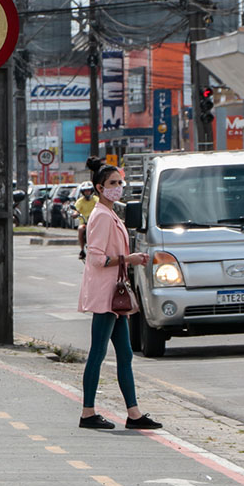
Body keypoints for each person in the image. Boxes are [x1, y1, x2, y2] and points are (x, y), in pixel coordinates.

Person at [77, 157, 162, 431]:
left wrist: (128, 259)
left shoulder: (110, 213)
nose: (118, 187)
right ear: (99, 188)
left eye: (120, 182)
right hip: (106, 295)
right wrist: (130, 259)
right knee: (98, 352)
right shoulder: (101, 216)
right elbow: (97, 258)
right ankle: (88, 412)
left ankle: (133, 413)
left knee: (124, 354)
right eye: (112, 183)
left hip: (115, 296)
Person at [74, 179, 99, 261]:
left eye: (88, 190)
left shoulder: (96, 200)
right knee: (80, 229)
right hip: (85, 223)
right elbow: (76, 210)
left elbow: (101, 208)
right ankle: (82, 250)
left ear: (91, 191)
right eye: (85, 191)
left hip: (95, 223)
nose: (87, 192)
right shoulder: (80, 201)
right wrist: (75, 214)